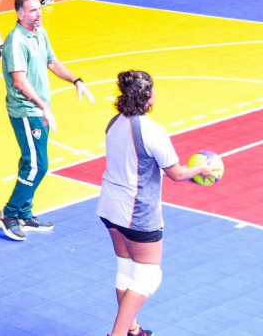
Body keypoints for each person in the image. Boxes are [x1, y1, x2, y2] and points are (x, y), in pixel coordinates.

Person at [98, 70, 214, 336]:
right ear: (147, 96)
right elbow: (176, 174)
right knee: (149, 277)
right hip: (137, 213)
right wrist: (202, 170)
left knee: (126, 271)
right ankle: (116, 334)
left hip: (109, 207)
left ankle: (132, 329)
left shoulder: (113, 122)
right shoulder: (153, 131)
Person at [0, 0, 92, 240]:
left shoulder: (40, 33)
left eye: (39, 9)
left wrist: (76, 80)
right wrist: (43, 106)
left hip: (39, 110)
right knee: (38, 165)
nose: (38, 14)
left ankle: (24, 214)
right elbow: (19, 81)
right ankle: (9, 213)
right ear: (19, 14)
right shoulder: (15, 40)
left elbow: (52, 61)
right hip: (26, 111)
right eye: (32, 10)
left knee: (31, 161)